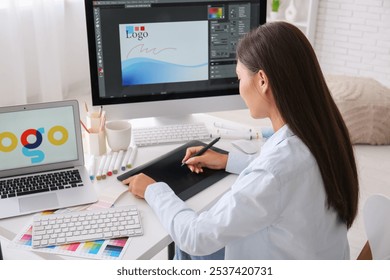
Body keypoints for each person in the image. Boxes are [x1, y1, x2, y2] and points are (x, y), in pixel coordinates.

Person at [122, 21, 359, 259]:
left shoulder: (275, 171)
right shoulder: (323, 135)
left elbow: (196, 237)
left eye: (239, 78)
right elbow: (286, 180)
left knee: (185, 245)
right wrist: (227, 161)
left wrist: (154, 190)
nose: (239, 88)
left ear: (262, 80)